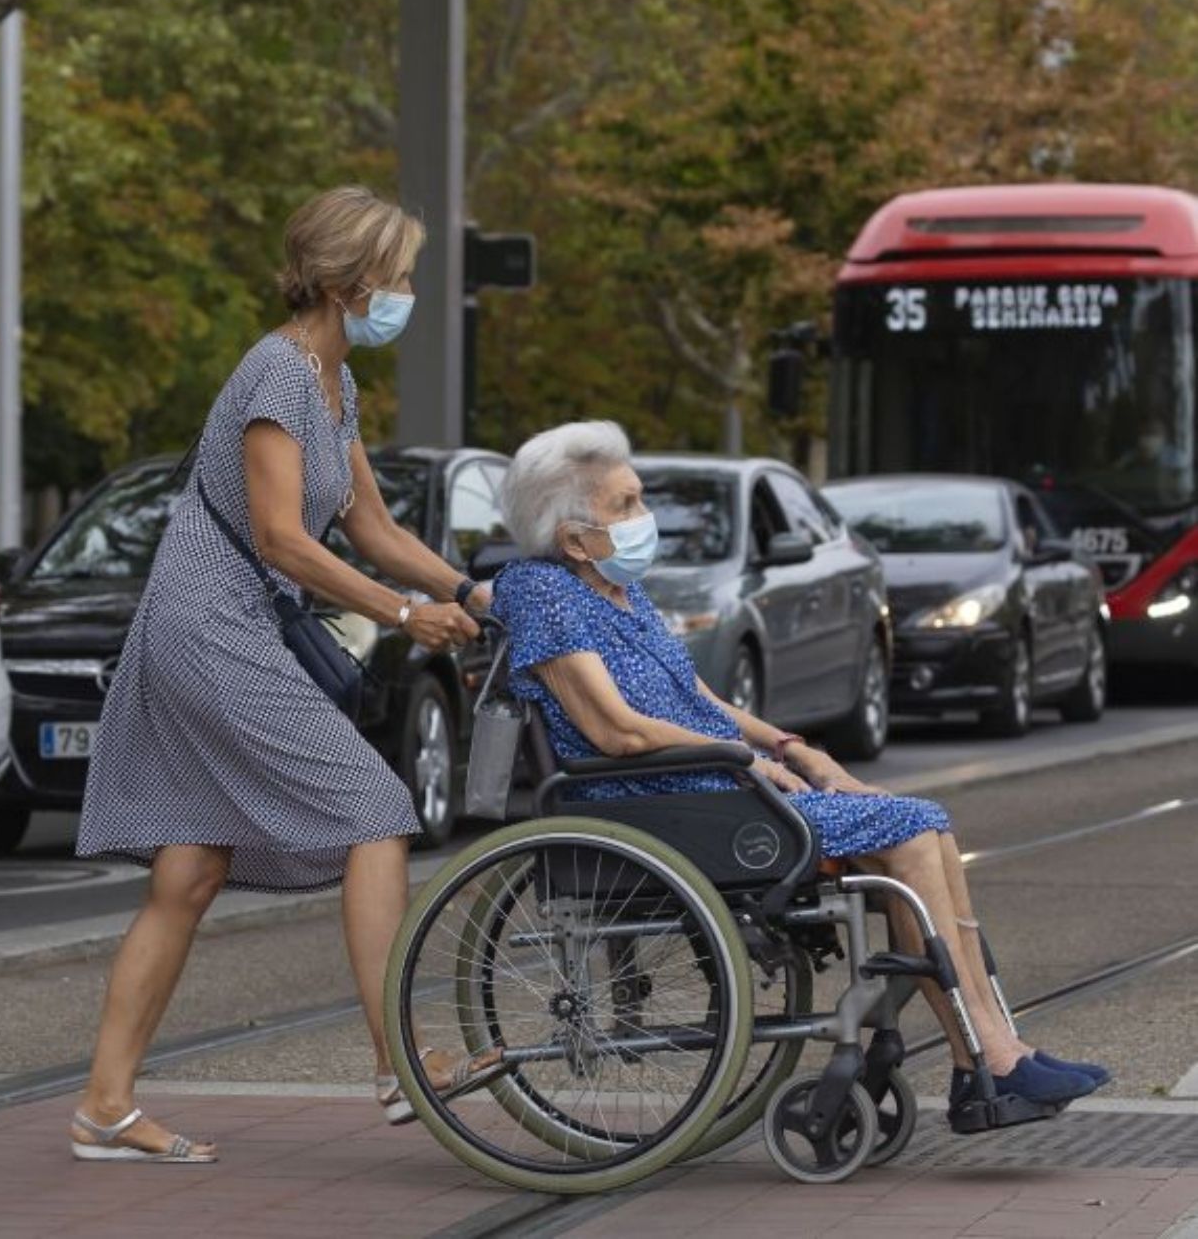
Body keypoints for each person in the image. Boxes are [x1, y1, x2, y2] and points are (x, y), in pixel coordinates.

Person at [492, 421, 1109, 1116]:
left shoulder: (617, 590)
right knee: (911, 834)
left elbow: (697, 698)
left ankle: (997, 1050)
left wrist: (792, 747)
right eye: (626, 505)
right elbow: (620, 731)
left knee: (928, 835)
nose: (645, 519)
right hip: (670, 798)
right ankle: (983, 1061)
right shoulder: (543, 594)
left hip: (719, 783)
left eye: (640, 500)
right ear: (574, 538)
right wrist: (750, 762)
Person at [71, 186, 497, 1163]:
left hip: (230, 625)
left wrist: (473, 591)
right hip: (209, 626)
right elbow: (279, 537)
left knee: (189, 869)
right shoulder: (276, 372)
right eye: (395, 278)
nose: (404, 294)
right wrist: (401, 613)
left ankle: (103, 1102)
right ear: (348, 283)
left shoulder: (333, 383)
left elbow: (372, 526)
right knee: (376, 808)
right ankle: (400, 1064)